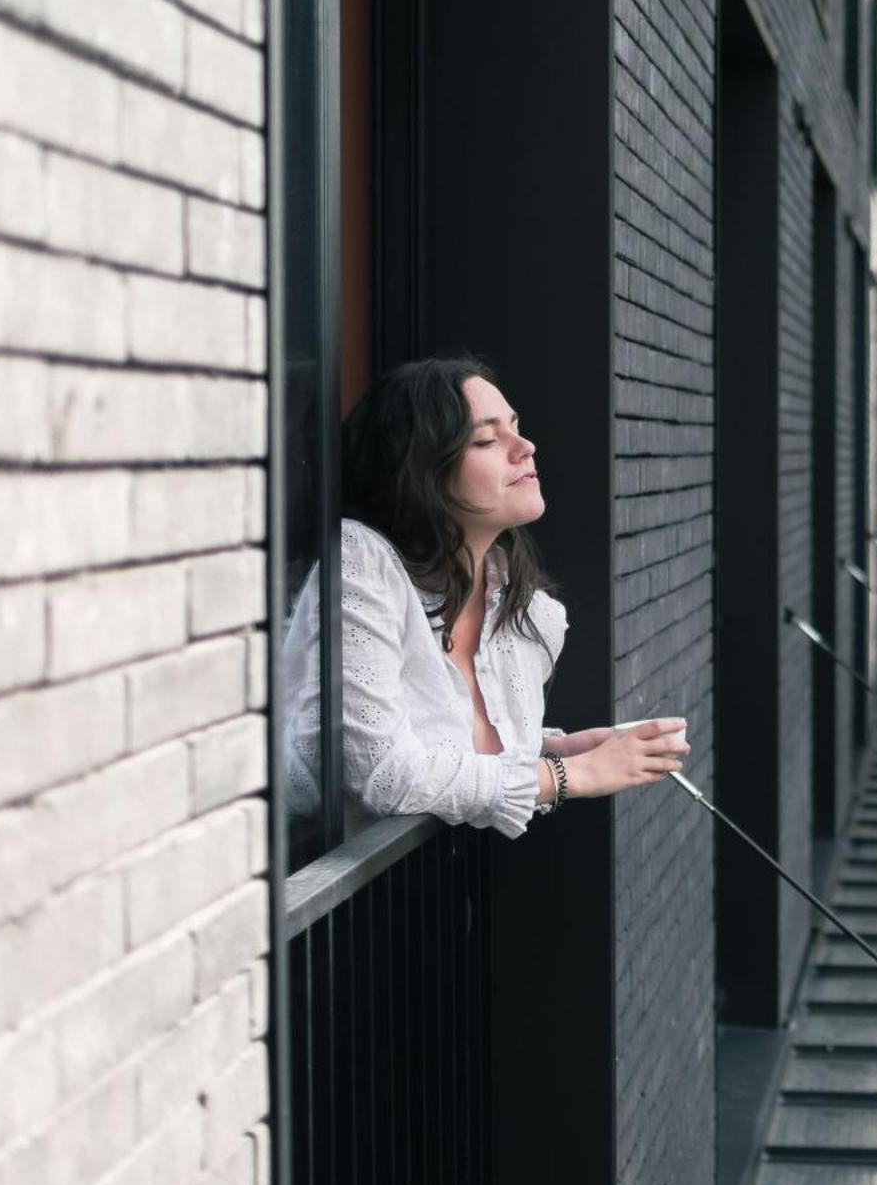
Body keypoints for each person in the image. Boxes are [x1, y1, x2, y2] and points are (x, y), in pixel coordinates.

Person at [283, 356, 687, 839]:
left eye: (516, 427)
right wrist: (571, 776)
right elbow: (384, 773)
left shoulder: (529, 616)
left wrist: (565, 750)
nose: (525, 447)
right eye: (487, 439)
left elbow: (448, 752)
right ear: (421, 471)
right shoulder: (361, 562)